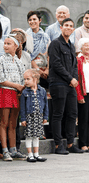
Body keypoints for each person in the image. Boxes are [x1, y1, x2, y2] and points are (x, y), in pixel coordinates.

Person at [48, 18, 83, 154]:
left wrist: (74, 79)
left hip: (70, 84)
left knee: (72, 114)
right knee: (58, 114)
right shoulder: (55, 44)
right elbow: (56, 64)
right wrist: (70, 78)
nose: (68, 28)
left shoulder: (71, 46)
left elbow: (74, 65)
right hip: (58, 83)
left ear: (73, 29)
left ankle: (70, 143)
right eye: (66, 25)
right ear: (61, 28)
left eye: (71, 26)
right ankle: (58, 145)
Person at [0, 32, 26, 161]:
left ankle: (13, 149)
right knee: (3, 122)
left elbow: (22, 78)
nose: (5, 46)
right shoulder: (1, 59)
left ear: (16, 46)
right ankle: (5, 150)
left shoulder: (19, 62)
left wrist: (21, 88)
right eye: (5, 43)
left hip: (16, 93)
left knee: (13, 124)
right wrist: (17, 86)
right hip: (5, 92)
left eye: (8, 43)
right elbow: (1, 79)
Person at [20, 69, 48, 162]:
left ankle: (36, 154)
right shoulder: (25, 92)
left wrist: (45, 117)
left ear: (35, 79)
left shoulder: (42, 91)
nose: (26, 81)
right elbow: (23, 107)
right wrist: (23, 118)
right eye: (25, 79)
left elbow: (45, 105)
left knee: (36, 135)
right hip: (29, 116)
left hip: (38, 116)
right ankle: (30, 154)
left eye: (28, 79)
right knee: (29, 135)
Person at [26, 11, 51, 89]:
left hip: (45, 72)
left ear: (40, 20)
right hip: (31, 71)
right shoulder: (26, 36)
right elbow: (27, 55)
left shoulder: (46, 37)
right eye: (30, 20)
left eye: (34, 19)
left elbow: (49, 54)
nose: (32, 22)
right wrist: (37, 69)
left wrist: (47, 69)